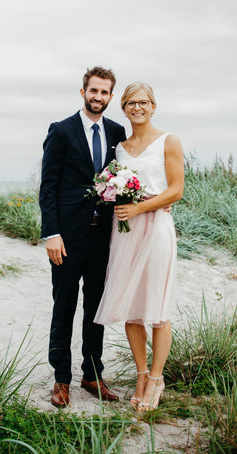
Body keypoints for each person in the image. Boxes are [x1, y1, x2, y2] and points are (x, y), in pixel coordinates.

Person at [39, 67, 126, 408]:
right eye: (94, 91)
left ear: (110, 96)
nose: (98, 97)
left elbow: (124, 179)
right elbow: (48, 187)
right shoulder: (61, 131)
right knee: (64, 307)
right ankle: (61, 379)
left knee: (96, 308)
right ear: (82, 92)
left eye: (105, 93)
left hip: (103, 237)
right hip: (67, 238)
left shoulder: (117, 132)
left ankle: (92, 375)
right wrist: (52, 233)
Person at [94, 82, 184, 411]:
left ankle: (158, 379)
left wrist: (141, 207)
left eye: (143, 102)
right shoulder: (119, 147)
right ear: (124, 107)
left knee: (158, 307)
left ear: (153, 106)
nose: (137, 107)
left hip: (156, 225)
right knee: (132, 306)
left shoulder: (168, 141)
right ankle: (142, 374)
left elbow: (176, 190)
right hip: (125, 230)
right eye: (131, 102)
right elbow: (109, 184)